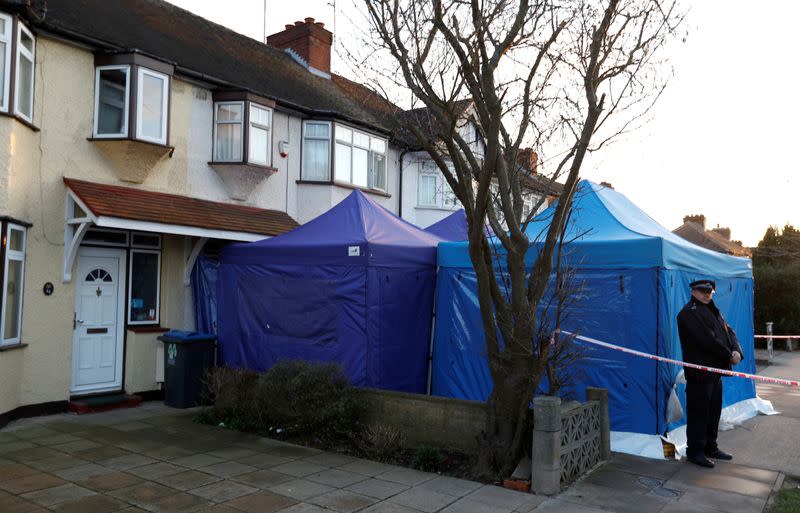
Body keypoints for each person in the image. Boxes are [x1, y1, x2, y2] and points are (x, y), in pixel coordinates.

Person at [677, 279, 743, 468]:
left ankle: (710, 447)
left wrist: (737, 350)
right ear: (693, 291)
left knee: (713, 412)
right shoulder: (688, 313)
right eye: (702, 291)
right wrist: (728, 355)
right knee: (699, 413)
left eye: (710, 292)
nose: (707, 294)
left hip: (715, 373)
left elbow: (729, 331)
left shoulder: (714, 310)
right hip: (699, 374)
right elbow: (707, 340)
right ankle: (695, 451)